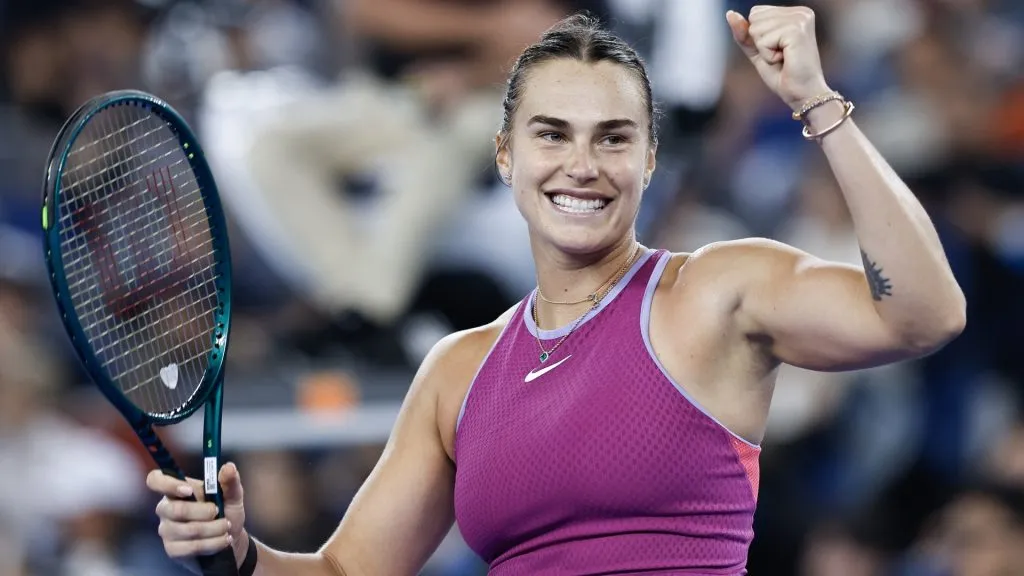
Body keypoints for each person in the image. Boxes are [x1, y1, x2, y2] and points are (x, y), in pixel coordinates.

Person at [147, 7, 967, 574]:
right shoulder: (456, 372)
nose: (582, 165)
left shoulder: (719, 290)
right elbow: (347, 571)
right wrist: (241, 555)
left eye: (614, 138)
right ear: (505, 156)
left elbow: (926, 314)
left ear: (649, 160)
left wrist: (816, 105)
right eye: (552, 135)